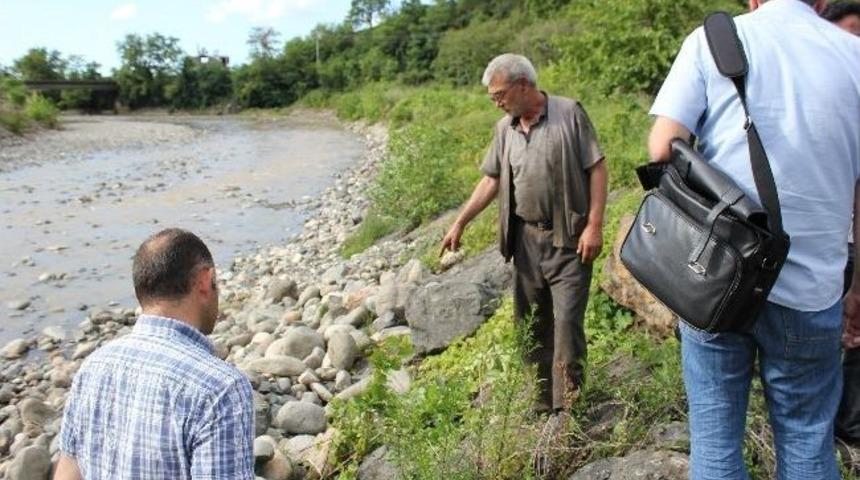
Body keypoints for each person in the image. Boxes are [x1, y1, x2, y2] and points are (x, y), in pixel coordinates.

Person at [648, 0, 860, 478]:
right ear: (822, 2)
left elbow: (663, 146)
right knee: (808, 437)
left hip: (717, 276)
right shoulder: (854, 55)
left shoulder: (713, 40)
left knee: (716, 440)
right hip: (814, 289)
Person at [440, 53, 607, 415]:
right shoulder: (505, 130)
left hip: (569, 240)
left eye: (500, 95)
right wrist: (460, 222)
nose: (497, 102)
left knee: (566, 327)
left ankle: (569, 409)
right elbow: (491, 180)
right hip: (526, 243)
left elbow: (596, 168)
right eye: (493, 98)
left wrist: (595, 225)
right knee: (531, 326)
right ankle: (542, 403)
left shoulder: (569, 113)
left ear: (523, 85)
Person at [54, 229, 255, 480]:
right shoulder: (221, 388)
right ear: (205, 281)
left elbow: (68, 472)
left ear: (142, 289)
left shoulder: (93, 366)